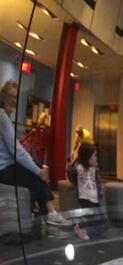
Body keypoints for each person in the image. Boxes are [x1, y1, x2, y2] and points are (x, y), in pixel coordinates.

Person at [0, 80, 71, 228]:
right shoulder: (2, 117)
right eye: (10, 96)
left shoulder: (4, 117)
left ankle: (49, 215)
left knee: (36, 168)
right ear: (3, 97)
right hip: (4, 171)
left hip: (7, 167)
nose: (13, 100)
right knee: (36, 174)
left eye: (15, 96)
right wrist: (38, 171)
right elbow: (16, 151)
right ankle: (51, 214)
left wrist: (37, 168)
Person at [67, 143, 106, 241]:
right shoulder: (78, 166)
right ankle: (78, 226)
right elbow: (70, 172)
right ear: (87, 157)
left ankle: (93, 230)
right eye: (94, 156)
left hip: (94, 197)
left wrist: (100, 192)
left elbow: (97, 179)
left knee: (101, 220)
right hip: (85, 197)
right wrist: (73, 182)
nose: (96, 158)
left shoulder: (94, 166)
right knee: (91, 216)